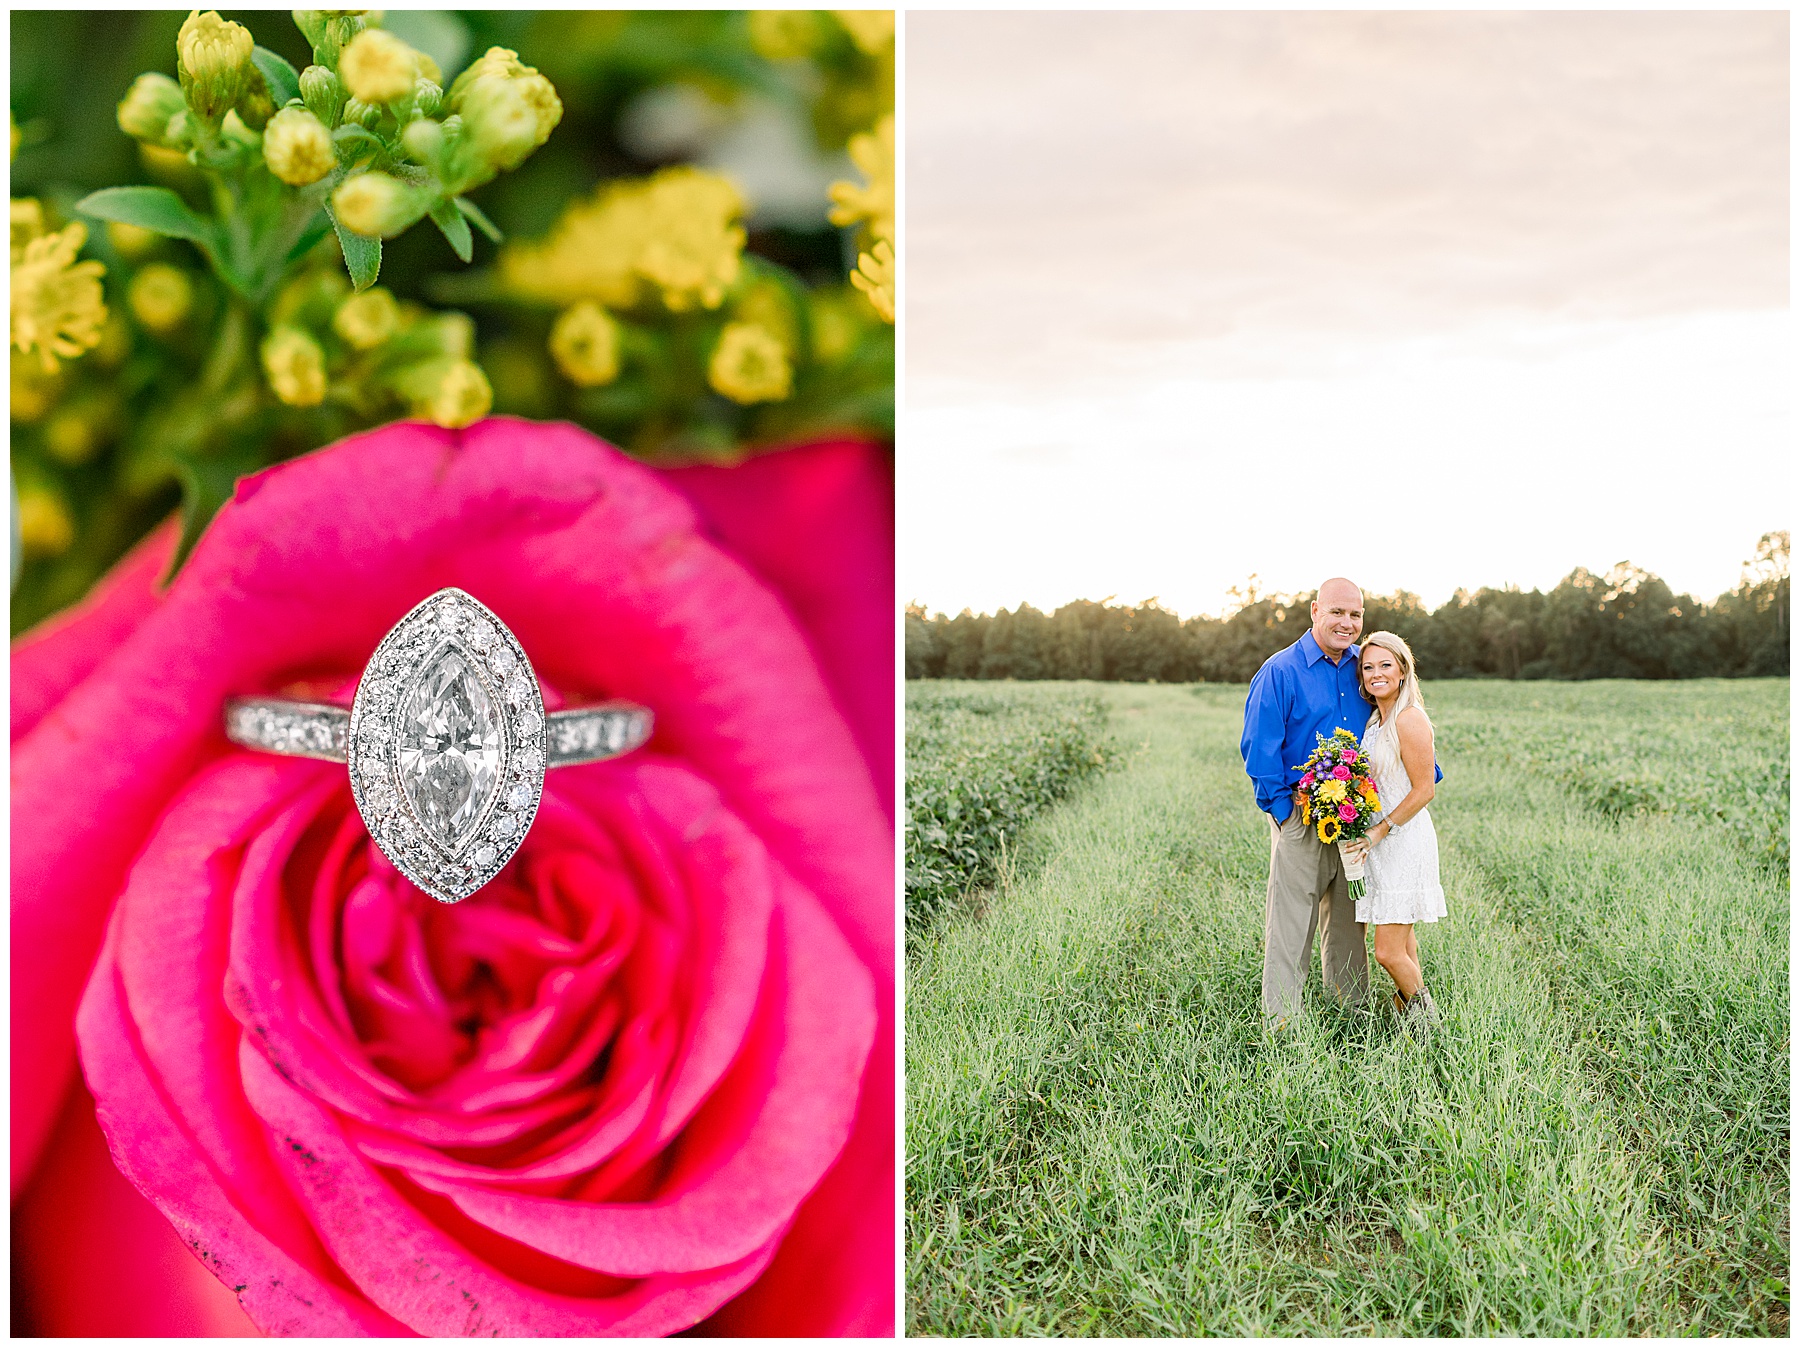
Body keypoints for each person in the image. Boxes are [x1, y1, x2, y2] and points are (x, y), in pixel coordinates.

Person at [1239, 579, 1441, 1028]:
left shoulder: (1363, 666)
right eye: (1337, 612)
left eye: (1355, 614)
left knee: (1351, 924)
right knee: (1292, 924)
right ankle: (1283, 1024)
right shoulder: (1280, 671)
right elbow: (1259, 749)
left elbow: (1399, 733)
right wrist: (1285, 814)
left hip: (1358, 822)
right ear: (1315, 611)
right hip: (1302, 815)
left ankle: (1351, 1016)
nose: (1346, 623)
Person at [1343, 631, 1445, 1028]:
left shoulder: (1409, 718)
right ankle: (1414, 1029)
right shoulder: (1375, 720)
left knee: (1387, 952)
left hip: (1403, 841)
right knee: (1405, 945)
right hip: (1379, 843)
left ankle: (1430, 1022)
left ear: (1402, 670)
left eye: (1385, 665)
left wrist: (1381, 829)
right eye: (1368, 667)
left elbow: (1425, 790)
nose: (1376, 674)